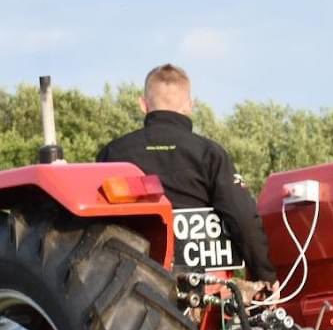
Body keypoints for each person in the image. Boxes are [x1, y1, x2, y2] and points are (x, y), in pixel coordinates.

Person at [97, 64, 277, 292]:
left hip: (130, 284)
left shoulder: (113, 153)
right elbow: (242, 218)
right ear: (190, 106)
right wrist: (265, 277)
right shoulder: (210, 154)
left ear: (143, 105)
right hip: (204, 289)